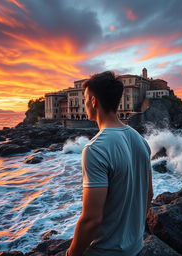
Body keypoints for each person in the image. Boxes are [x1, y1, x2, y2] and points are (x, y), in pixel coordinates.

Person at [66, 71, 153, 256]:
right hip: (135, 247)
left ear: (94, 101)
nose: (85, 103)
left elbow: (91, 220)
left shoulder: (95, 149)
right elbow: (148, 195)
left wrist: (70, 254)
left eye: (85, 99)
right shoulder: (141, 141)